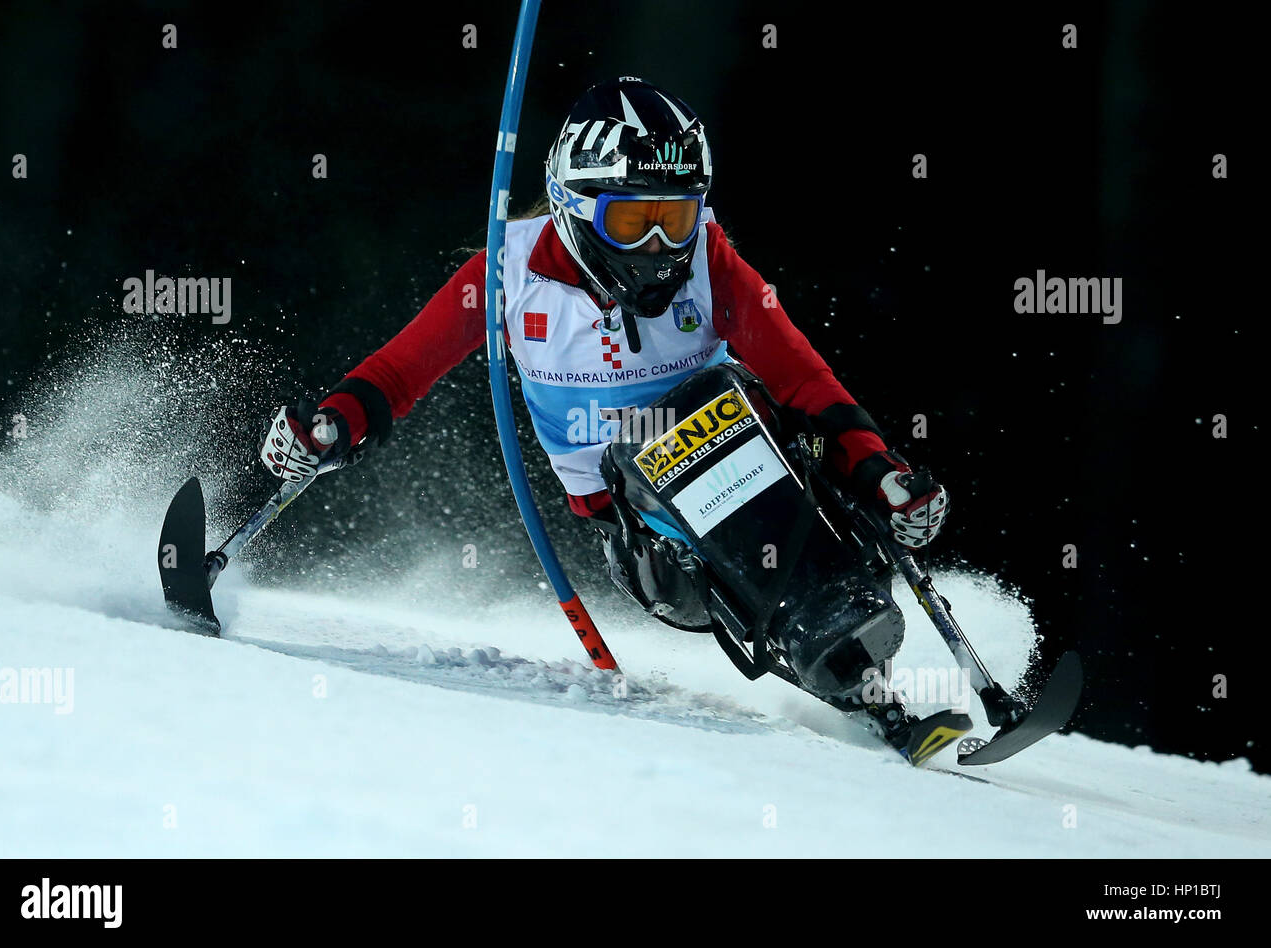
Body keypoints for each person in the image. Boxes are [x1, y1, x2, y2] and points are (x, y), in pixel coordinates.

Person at [259, 77, 948, 742]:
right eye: (632, 222)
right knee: (678, 427)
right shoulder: (508, 271)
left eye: (673, 219)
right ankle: (833, 646)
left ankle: (853, 619)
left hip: (758, 476)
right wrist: (332, 427)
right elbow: (401, 370)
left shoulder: (706, 258)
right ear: (574, 204)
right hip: (650, 541)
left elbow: (802, 379)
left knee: (739, 402)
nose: (658, 249)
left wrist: (878, 472)